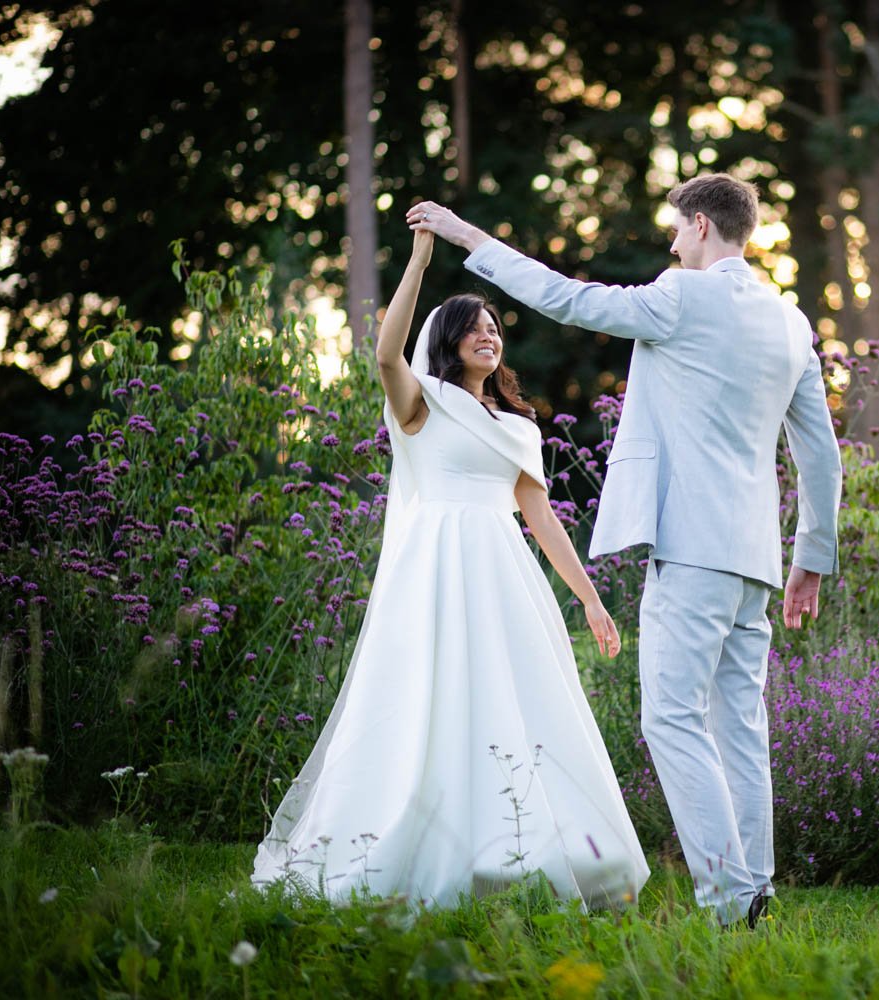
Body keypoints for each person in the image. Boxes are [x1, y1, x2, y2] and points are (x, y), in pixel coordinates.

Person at [407, 173, 843, 928]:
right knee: (740, 726)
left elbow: (568, 298)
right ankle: (757, 888)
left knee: (670, 720)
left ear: (703, 227)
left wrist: (468, 237)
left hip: (695, 551)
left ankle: (731, 898)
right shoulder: (791, 321)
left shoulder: (681, 295)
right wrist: (812, 556)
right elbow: (822, 456)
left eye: (677, 230)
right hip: (756, 562)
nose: (672, 243)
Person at [250, 228, 649, 910]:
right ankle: (405, 845)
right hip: (433, 572)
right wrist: (419, 261)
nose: (487, 336)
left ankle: (521, 851)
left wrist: (588, 597)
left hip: (502, 573)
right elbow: (384, 353)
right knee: (427, 702)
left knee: (514, 704)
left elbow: (540, 517)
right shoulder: (421, 403)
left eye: (494, 327)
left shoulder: (521, 425)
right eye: (473, 328)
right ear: (449, 340)